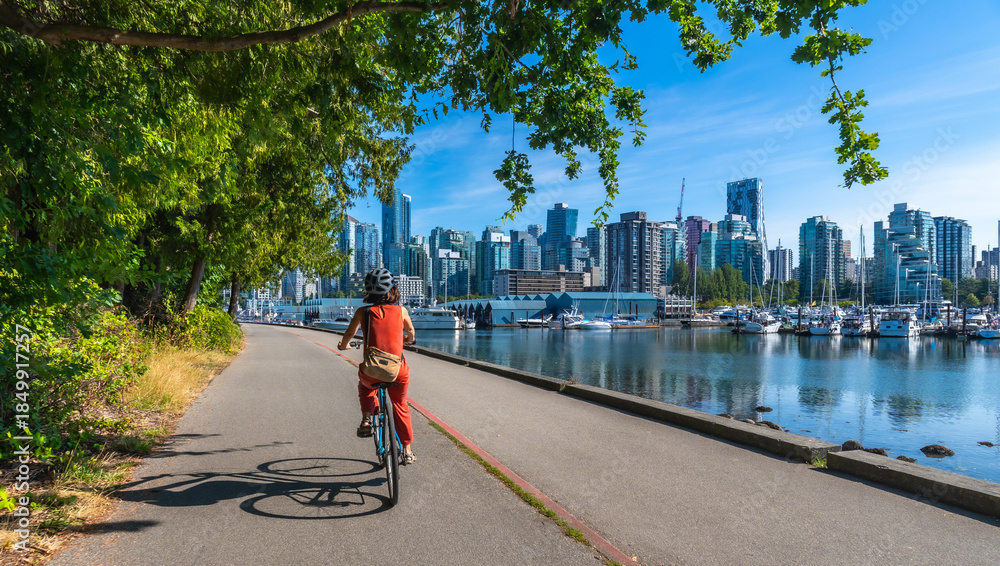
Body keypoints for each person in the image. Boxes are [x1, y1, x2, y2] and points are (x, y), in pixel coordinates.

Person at [338, 268, 417, 463]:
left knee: (365, 386)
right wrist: (406, 340)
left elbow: (348, 335)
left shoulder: (362, 312)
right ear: (393, 290)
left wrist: (343, 345)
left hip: (372, 371)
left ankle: (366, 418)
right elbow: (411, 334)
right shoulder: (401, 311)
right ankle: (407, 450)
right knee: (400, 404)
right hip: (397, 371)